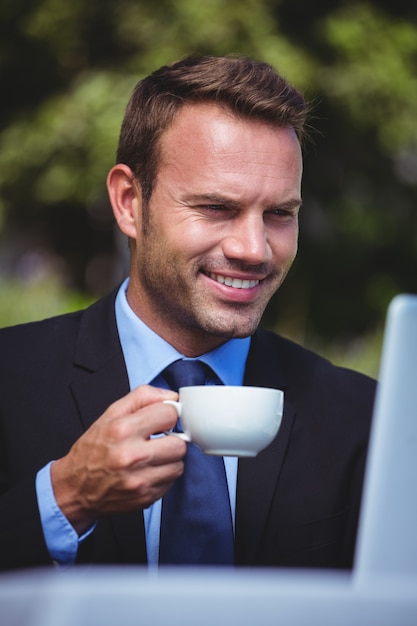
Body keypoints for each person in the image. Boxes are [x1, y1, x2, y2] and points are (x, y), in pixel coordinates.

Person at [0, 55, 376, 571]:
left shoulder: (363, 418)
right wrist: (65, 497)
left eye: (279, 214)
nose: (254, 249)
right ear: (130, 202)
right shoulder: (9, 379)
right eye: (216, 208)